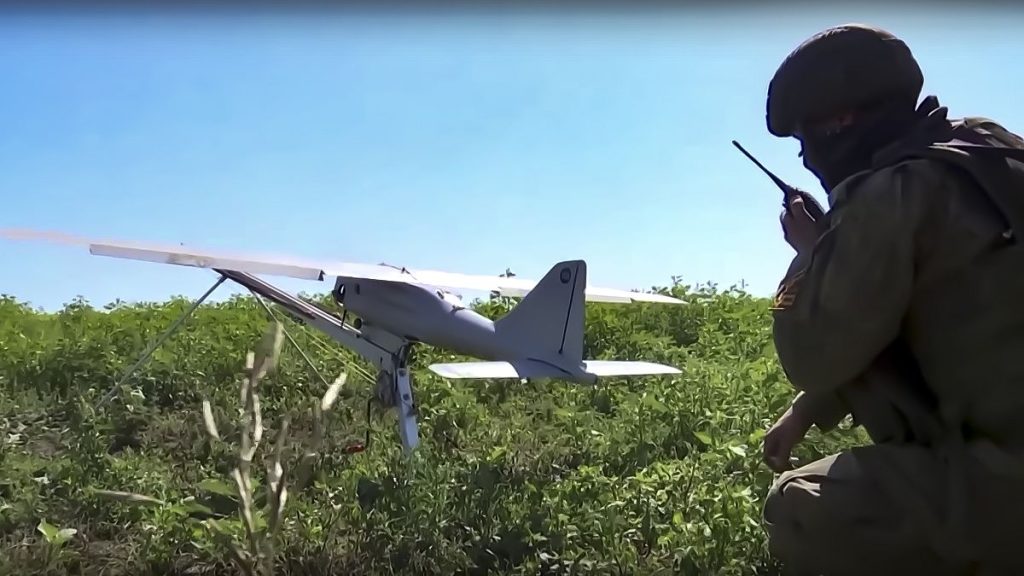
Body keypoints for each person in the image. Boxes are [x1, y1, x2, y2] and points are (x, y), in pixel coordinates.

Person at [758, 23, 1024, 575]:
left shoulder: (891, 193)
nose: (806, 159)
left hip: (1010, 479)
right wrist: (807, 411)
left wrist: (812, 255)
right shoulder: (991, 148)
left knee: (799, 506)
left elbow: (812, 353)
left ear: (841, 121)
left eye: (806, 141)